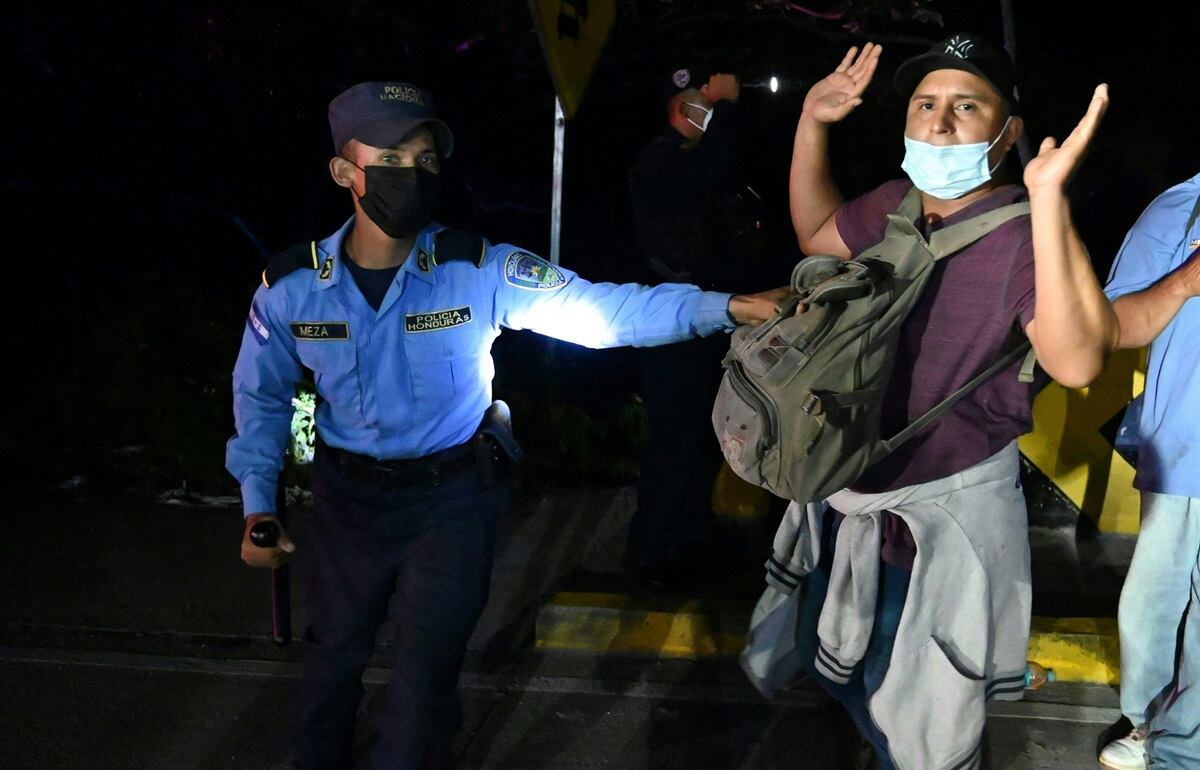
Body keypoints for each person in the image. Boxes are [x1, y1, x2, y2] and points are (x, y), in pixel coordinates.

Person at [226, 81, 785, 769]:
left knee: (424, 685)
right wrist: (259, 505)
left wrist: (731, 306)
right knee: (331, 666)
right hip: (350, 507)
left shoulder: (479, 268)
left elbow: (605, 314)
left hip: (452, 502)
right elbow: (260, 397)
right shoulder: (290, 287)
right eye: (392, 158)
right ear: (346, 171)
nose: (412, 174)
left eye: (426, 159)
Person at [782, 35, 1117, 768]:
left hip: (939, 520)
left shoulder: (1028, 237)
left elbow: (1076, 358)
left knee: (916, 706)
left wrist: (1050, 199)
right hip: (851, 495)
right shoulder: (894, 207)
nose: (937, 125)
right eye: (924, 105)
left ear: (1008, 133)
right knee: (834, 665)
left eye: (966, 107)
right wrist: (812, 123)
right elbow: (816, 232)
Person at [625, 65, 787, 587]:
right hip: (675, 329)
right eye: (707, 110)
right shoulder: (658, 164)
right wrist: (730, 107)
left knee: (708, 439)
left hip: (711, 324)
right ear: (682, 111)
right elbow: (717, 164)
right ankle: (654, 551)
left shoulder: (686, 164)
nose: (714, 120)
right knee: (677, 442)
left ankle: (691, 539)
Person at [1097, 173, 1200, 769]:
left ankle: (1180, 745)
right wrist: (1187, 280)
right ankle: (1149, 723)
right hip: (1184, 447)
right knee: (1154, 604)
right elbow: (1117, 322)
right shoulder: (1182, 207)